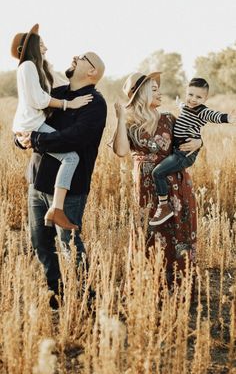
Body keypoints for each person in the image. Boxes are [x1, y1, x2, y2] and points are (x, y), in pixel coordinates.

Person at [15, 49, 107, 308]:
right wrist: (22, 138)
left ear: (92, 71)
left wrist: (36, 139)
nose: (75, 57)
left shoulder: (95, 102)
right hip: (38, 180)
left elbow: (76, 137)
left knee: (69, 245)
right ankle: (55, 294)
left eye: (82, 57)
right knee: (40, 242)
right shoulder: (56, 94)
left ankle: (87, 299)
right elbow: (31, 116)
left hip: (71, 188)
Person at [112, 72, 201, 294]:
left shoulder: (169, 119)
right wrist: (121, 119)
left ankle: (178, 289)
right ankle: (148, 287)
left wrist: (199, 140)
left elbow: (189, 142)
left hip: (176, 186)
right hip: (145, 189)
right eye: (153, 89)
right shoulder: (130, 123)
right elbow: (121, 151)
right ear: (140, 94)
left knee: (177, 233)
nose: (160, 92)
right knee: (148, 232)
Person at [12, 24, 94, 230]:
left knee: (65, 155)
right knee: (71, 156)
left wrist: (76, 71)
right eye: (41, 44)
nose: (45, 48)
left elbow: (58, 84)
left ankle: (55, 207)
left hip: (33, 125)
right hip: (32, 126)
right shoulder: (28, 67)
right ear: (28, 47)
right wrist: (69, 104)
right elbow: (39, 100)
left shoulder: (40, 68)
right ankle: (57, 209)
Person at [149, 77, 236, 226]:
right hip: (178, 152)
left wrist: (229, 118)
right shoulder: (187, 107)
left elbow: (214, 116)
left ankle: (164, 206)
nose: (193, 99)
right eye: (190, 95)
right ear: (186, 93)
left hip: (184, 154)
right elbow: (183, 105)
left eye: (198, 97)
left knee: (157, 173)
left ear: (205, 98)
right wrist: (178, 103)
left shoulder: (202, 111)